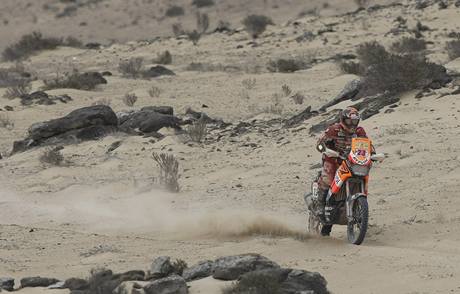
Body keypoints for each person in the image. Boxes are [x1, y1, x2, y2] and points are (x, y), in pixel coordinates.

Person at [315, 107, 368, 235]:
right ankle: (320, 207)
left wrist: (372, 153)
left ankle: (357, 213)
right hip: (333, 160)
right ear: (343, 120)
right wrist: (326, 149)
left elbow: (367, 145)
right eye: (349, 121)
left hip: (351, 162)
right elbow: (319, 144)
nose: (352, 124)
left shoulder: (360, 131)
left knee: (359, 179)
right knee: (328, 179)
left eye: (355, 121)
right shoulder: (334, 129)